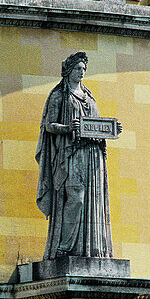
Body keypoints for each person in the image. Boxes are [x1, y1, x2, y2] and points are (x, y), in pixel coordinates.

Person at [35, 51, 116, 259]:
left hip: (91, 154)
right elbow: (49, 125)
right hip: (69, 154)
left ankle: (90, 248)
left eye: (84, 69)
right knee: (76, 197)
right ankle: (64, 246)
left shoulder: (89, 96)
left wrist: (112, 130)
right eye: (78, 69)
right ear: (69, 71)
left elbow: (96, 125)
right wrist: (68, 127)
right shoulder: (59, 95)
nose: (82, 72)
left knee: (92, 199)